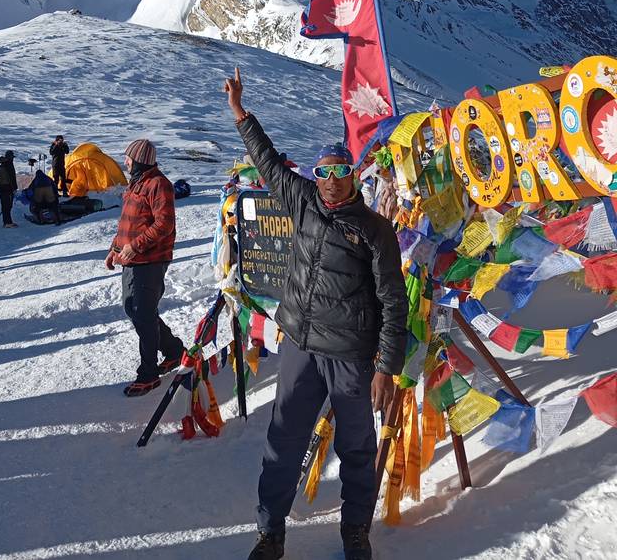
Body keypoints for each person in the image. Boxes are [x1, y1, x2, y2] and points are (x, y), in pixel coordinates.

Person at [223, 67, 408, 560]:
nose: (329, 180)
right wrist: (241, 113)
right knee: (283, 439)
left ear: (352, 175)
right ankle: (271, 533)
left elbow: (395, 302)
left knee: (355, 449)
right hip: (301, 348)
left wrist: (387, 369)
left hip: (350, 356)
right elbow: (268, 165)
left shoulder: (374, 230)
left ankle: (354, 532)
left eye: (338, 171)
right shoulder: (303, 202)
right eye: (322, 171)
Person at [105, 139, 185, 397]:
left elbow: (165, 225)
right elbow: (128, 223)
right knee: (135, 309)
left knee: (142, 312)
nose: (125, 162)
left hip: (150, 260)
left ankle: (148, 374)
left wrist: (136, 246)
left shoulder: (158, 184)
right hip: (132, 259)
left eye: (128, 158)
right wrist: (115, 249)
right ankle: (174, 352)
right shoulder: (137, 183)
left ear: (139, 159)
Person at [0, 151, 18, 227]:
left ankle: (6, 222)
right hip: (8, 188)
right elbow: (11, 178)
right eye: (12, 157)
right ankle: (8, 222)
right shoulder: (8, 165)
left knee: (5, 206)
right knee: (7, 206)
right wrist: (14, 188)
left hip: (2, 188)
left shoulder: (3, 164)